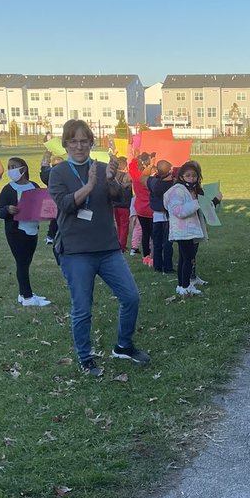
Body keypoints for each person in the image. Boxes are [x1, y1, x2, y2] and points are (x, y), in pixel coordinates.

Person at [47, 120, 150, 376]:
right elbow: (66, 205)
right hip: (76, 252)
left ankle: (123, 345)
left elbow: (120, 200)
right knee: (82, 307)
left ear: (92, 143)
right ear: (66, 144)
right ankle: (85, 357)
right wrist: (90, 186)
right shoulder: (58, 173)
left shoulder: (103, 167)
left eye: (84, 141)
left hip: (107, 248)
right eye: (73, 141)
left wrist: (111, 181)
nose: (79, 146)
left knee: (131, 296)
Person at [0, 157, 51, 308]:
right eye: (9, 167)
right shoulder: (8, 189)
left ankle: (23, 292)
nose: (11, 169)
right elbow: (0, 211)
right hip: (16, 231)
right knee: (21, 262)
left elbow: (42, 203)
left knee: (26, 262)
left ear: (24, 169)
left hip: (32, 229)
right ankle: (27, 297)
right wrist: (8, 209)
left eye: (14, 166)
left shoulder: (33, 186)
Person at [164, 161, 207, 297]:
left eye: (194, 176)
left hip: (187, 230)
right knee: (188, 259)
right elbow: (179, 211)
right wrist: (196, 203)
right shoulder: (177, 191)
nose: (191, 178)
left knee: (184, 258)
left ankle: (182, 285)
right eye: (188, 176)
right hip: (182, 231)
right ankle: (186, 285)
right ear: (181, 177)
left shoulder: (190, 190)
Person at [147, 160, 176, 274]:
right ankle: (168, 267)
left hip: (156, 216)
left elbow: (145, 178)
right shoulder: (173, 185)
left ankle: (157, 265)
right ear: (169, 170)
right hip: (168, 217)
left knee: (157, 242)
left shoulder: (154, 183)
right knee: (168, 243)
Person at [127, 151, 154, 264]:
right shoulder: (149, 181)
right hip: (151, 209)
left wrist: (135, 157)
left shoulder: (135, 176)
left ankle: (145, 256)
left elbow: (131, 166)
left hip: (140, 208)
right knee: (153, 234)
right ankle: (153, 255)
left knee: (145, 232)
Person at [110, 154, 134, 252]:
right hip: (124, 205)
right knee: (124, 226)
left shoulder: (113, 175)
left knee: (118, 225)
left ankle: (118, 243)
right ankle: (122, 245)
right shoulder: (127, 176)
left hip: (115, 204)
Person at [39, 150, 61, 245]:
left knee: (54, 219)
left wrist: (46, 156)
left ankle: (50, 236)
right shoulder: (66, 172)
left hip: (52, 200)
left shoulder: (50, 173)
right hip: (64, 200)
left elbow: (44, 168)